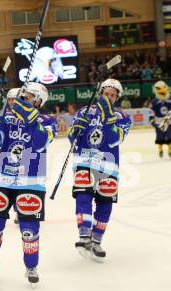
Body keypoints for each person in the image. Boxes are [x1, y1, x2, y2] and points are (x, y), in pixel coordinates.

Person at [0, 82, 58, 285]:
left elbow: (40, 143)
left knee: (29, 229)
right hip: (4, 178)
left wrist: (29, 119)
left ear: (39, 100)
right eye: (23, 96)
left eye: (28, 97)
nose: (23, 100)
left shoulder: (48, 121)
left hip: (32, 181)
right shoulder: (9, 118)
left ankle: (31, 266)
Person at [68, 78, 131, 262]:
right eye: (107, 94)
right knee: (83, 196)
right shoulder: (85, 111)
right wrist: (76, 132)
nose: (109, 97)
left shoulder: (122, 117)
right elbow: (73, 139)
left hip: (109, 165)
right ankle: (84, 235)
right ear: (100, 94)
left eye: (113, 95)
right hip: (85, 161)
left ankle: (96, 241)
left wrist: (108, 119)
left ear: (117, 98)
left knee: (105, 204)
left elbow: (114, 140)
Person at [148, 80, 171, 158]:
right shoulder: (154, 101)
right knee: (160, 137)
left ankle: (170, 152)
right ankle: (160, 150)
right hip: (159, 121)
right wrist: (151, 120)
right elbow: (151, 111)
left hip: (169, 121)